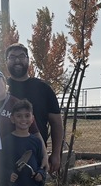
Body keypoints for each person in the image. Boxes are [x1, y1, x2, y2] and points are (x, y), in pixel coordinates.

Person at [5, 43, 64, 174]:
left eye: (21, 56)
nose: (17, 60)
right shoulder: (0, 88)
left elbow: (56, 123)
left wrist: (56, 153)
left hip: (35, 155)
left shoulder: (43, 88)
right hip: (5, 157)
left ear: (28, 59)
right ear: (6, 61)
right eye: (12, 57)